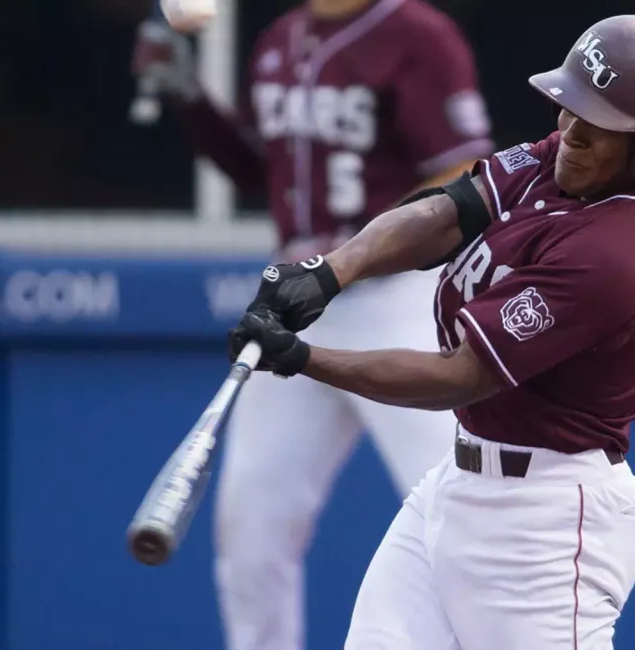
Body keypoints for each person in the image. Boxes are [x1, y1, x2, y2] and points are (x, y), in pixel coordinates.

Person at [229, 13, 635, 650]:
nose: (568, 132)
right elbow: (451, 210)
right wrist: (328, 273)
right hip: (455, 486)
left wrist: (304, 358)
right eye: (571, 111)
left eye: (598, 128)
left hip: (544, 522)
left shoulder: (611, 254)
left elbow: (460, 378)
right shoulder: (569, 159)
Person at [130, 1, 494, 648]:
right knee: (251, 530)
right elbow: (258, 168)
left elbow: (462, 173)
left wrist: (350, 260)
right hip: (297, 300)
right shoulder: (278, 39)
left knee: (460, 508)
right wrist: (192, 100)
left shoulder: (416, 34)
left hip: (397, 296)